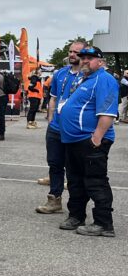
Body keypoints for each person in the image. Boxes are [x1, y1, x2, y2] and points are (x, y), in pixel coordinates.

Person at [58, 47, 118, 237]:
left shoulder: (104, 79)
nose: (84, 60)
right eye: (82, 57)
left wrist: (97, 138)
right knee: (75, 181)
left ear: (101, 62)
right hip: (74, 141)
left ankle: (103, 223)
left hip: (90, 141)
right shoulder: (85, 79)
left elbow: (108, 112)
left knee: (95, 182)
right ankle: (76, 216)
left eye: (90, 58)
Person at [35, 41, 84, 214]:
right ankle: (54, 199)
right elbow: (53, 98)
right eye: (70, 51)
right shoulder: (60, 73)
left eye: (76, 52)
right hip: (56, 127)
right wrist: (50, 119)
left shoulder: (87, 75)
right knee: (55, 164)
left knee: (74, 166)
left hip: (76, 129)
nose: (72, 55)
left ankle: (77, 206)